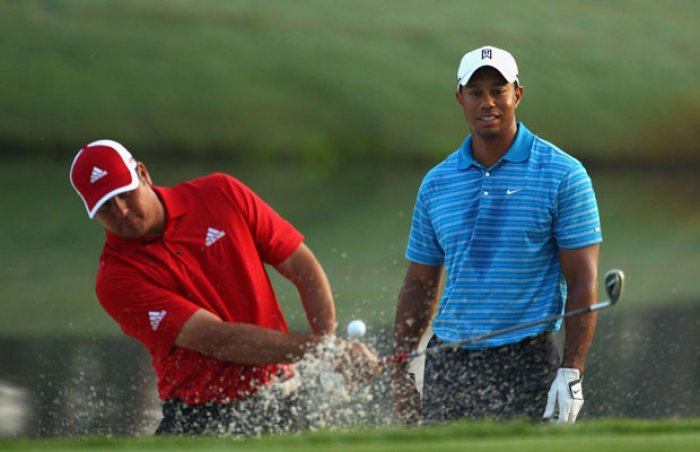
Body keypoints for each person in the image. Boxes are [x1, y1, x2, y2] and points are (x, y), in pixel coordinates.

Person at [69, 139, 378, 435]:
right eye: (106, 207)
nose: (121, 210)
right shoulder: (115, 279)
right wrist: (323, 350)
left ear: (143, 174)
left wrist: (327, 345)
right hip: (201, 415)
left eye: (125, 193)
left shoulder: (220, 193)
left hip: (282, 394)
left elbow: (301, 267)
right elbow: (217, 340)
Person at [391, 45, 602, 425]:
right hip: (450, 360)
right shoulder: (437, 183)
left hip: (527, 360)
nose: (487, 102)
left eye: (497, 90)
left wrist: (572, 372)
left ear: (517, 94)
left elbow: (582, 278)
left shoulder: (563, 174)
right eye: (475, 92)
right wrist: (402, 365)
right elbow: (419, 283)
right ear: (460, 99)